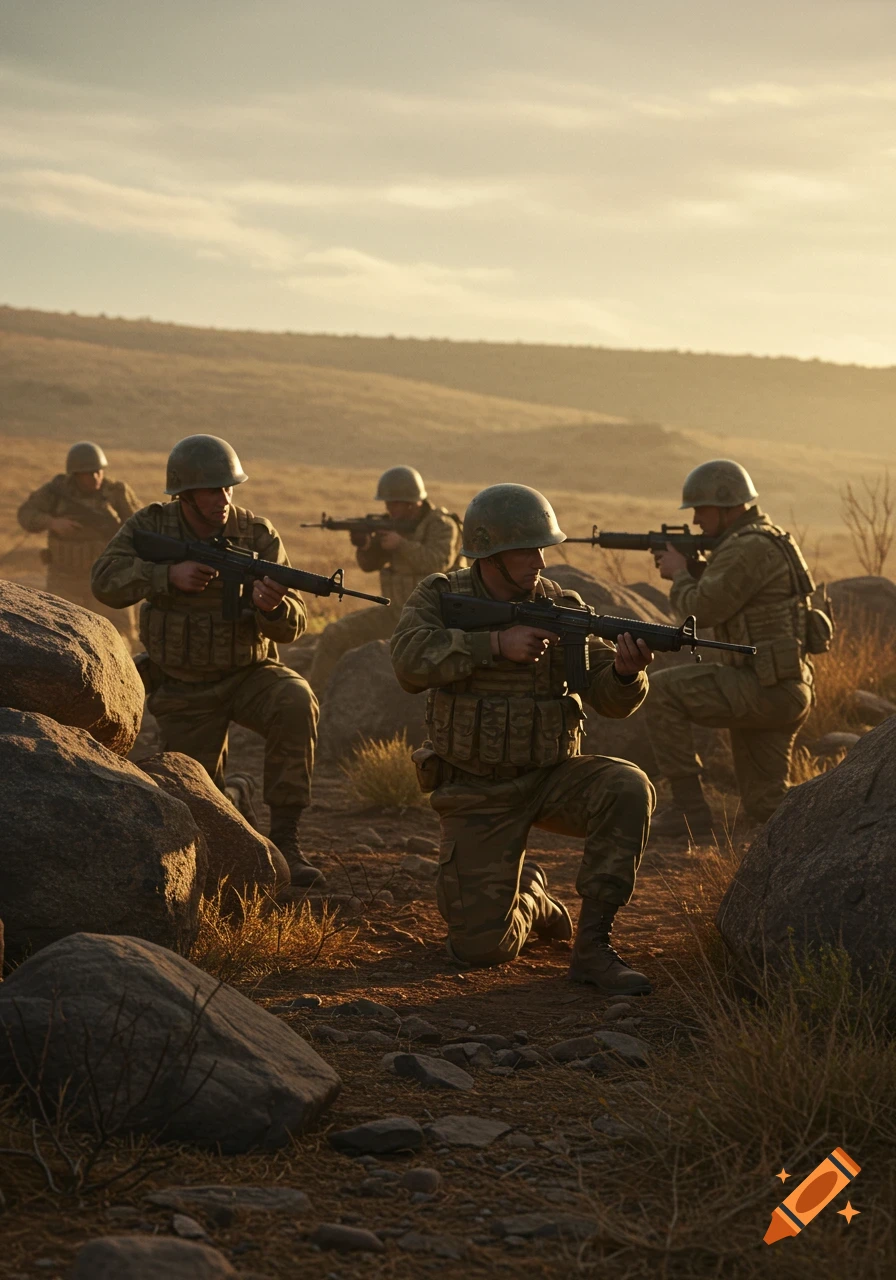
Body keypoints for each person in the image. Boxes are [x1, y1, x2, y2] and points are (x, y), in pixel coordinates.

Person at [390, 483, 656, 995]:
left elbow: (607, 697)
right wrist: (494, 643)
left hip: (550, 777)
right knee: (479, 950)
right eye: (527, 549)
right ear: (489, 552)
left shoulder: (563, 606)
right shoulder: (443, 596)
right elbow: (407, 661)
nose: (540, 560)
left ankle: (594, 948)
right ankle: (533, 898)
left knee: (628, 786)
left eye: (543, 548)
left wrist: (626, 674)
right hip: (475, 787)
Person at [91, 434, 322, 887]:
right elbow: (104, 581)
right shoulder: (151, 526)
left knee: (296, 700)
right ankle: (233, 794)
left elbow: (295, 623)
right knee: (198, 806)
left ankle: (287, 841)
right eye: (211, 490)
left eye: (228, 488)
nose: (223, 499)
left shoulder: (256, 534)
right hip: (182, 685)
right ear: (183, 493)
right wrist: (164, 575)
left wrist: (273, 608)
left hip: (249, 673)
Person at [647, 459, 816, 838]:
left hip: (762, 689)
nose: (696, 521)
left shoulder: (747, 547)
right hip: (780, 689)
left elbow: (702, 609)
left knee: (660, 692)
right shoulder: (764, 538)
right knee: (767, 810)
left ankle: (688, 811)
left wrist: (679, 575)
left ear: (728, 506)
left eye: (701, 510)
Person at [307, 465, 462, 693]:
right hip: (398, 612)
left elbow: (438, 562)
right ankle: (317, 699)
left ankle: (318, 701)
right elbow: (369, 566)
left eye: (393, 502)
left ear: (411, 501)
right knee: (334, 634)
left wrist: (401, 544)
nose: (387, 507)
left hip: (432, 615)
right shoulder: (391, 525)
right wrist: (366, 545)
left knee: (338, 636)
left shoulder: (442, 525)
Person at [17, 442, 141, 644]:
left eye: (97, 472)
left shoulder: (116, 493)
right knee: (58, 637)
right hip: (65, 581)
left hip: (108, 579)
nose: (95, 478)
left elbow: (140, 525)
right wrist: (52, 522)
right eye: (87, 473)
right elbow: (26, 514)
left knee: (119, 638)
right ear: (74, 474)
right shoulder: (55, 492)